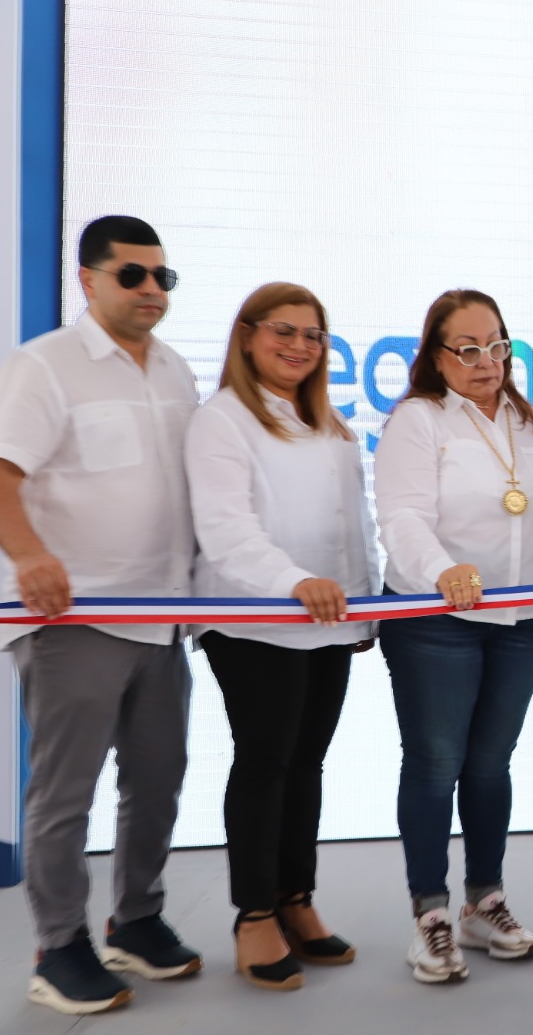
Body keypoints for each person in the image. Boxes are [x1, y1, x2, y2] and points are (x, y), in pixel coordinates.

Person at [0, 216, 202, 1015]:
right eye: (131, 275)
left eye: (162, 277)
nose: (150, 290)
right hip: (77, 621)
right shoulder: (44, 365)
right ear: (88, 280)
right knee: (65, 794)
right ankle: (59, 946)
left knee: (158, 781)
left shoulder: (175, 369)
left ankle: (135, 922)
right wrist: (30, 556)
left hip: (165, 617)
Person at [374, 289, 533, 983]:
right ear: (436, 356)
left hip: (523, 625)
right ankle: (429, 916)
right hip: (436, 622)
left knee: (492, 765)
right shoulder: (418, 420)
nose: (486, 360)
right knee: (436, 764)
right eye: (467, 349)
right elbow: (400, 518)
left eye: (497, 345)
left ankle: (484, 902)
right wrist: (443, 571)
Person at [185, 282, 380, 989]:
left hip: (328, 623)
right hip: (253, 620)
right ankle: (255, 914)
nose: (300, 345)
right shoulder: (221, 420)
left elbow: (351, 523)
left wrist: (364, 610)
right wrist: (294, 580)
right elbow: (224, 529)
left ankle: (297, 898)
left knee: (307, 764)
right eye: (284, 331)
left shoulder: (329, 422)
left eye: (313, 335)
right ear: (247, 336)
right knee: (265, 762)